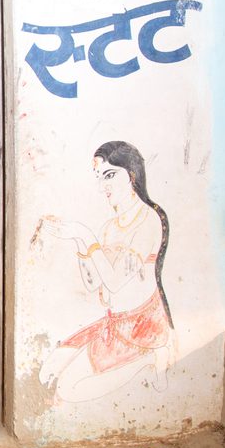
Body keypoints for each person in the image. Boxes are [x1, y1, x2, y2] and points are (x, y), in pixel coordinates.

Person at [38, 141, 175, 402]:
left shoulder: (148, 220)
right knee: (48, 371)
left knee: (67, 390)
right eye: (100, 178)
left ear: (132, 175)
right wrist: (80, 244)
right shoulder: (110, 227)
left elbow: (114, 283)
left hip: (140, 329)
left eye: (111, 175)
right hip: (114, 322)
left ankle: (150, 359)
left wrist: (86, 237)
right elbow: (93, 284)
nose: (104, 186)